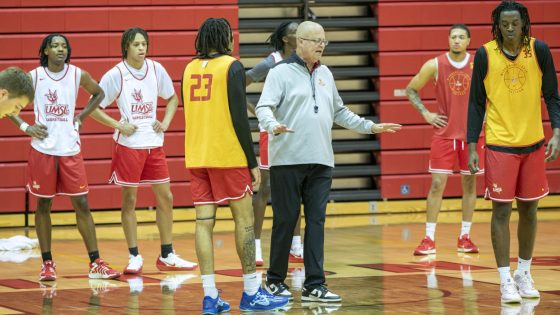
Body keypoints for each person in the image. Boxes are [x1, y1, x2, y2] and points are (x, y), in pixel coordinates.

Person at [256, 21, 401, 303]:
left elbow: (339, 112)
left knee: (317, 222)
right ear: (299, 42)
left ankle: (314, 285)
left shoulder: (326, 73)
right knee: (285, 220)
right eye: (315, 40)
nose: (321, 45)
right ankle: (275, 281)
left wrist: (371, 127)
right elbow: (264, 106)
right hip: (287, 160)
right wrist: (272, 125)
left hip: (322, 161)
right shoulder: (280, 73)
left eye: (324, 41)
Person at [182, 18, 289, 314]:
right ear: (224, 37)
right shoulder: (232, 66)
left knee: (204, 223)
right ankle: (252, 292)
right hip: (227, 155)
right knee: (243, 222)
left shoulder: (189, 68)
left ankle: (209, 295)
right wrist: (251, 161)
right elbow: (239, 117)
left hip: (196, 154)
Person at [467, 0, 560, 304]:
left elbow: (552, 96)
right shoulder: (485, 54)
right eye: (504, 24)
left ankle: (524, 272)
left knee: (530, 209)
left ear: (524, 24)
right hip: (499, 145)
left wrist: (556, 132)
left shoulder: (539, 50)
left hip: (533, 143)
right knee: (501, 211)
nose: (509, 29)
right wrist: (471, 145)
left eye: (514, 24)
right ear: (497, 25)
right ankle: (505, 279)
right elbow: (476, 102)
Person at [8, 34, 120, 281]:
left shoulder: (77, 74)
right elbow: (8, 102)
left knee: (82, 204)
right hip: (43, 150)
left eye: (64, 46)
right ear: (46, 50)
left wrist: (81, 117)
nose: (61, 49)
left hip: (70, 149)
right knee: (43, 205)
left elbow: (99, 94)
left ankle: (96, 263)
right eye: (55, 45)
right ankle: (47, 263)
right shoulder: (34, 77)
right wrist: (26, 128)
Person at [90, 27, 197, 274]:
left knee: (166, 197)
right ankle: (134, 255)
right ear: (126, 46)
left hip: (154, 143)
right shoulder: (116, 74)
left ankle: (167, 254)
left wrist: (167, 122)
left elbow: (172, 98)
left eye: (144, 44)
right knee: (129, 200)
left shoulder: (156, 69)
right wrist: (119, 125)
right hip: (129, 146)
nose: (142, 48)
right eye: (137, 44)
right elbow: (93, 107)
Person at [406, 24, 484, 256]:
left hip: (472, 136)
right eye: (453, 37)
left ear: (469, 40)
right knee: (438, 184)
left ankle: (465, 237)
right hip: (444, 135)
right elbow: (411, 89)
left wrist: (489, 115)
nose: (457, 40)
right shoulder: (435, 64)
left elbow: (494, 92)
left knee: (470, 185)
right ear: (448, 40)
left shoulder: (479, 63)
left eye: (461, 37)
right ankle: (429, 238)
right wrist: (426, 114)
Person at [245, 21, 304, 266]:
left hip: (296, 132)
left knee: (296, 188)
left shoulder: (304, 62)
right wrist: (256, 111)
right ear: (285, 39)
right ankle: (256, 246)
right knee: (266, 188)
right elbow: (240, 84)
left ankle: (296, 246)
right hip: (272, 131)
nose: (300, 35)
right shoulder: (271, 62)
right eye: (296, 32)